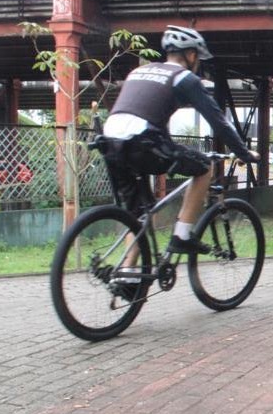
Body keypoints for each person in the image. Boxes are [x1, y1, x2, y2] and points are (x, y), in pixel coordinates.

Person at [102, 25, 258, 256]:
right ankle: (182, 236)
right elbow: (219, 122)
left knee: (139, 217)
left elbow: (142, 112)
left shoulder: (139, 72)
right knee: (205, 167)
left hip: (110, 142)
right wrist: (244, 153)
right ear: (191, 55)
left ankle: (129, 278)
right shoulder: (185, 78)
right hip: (141, 141)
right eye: (198, 58)